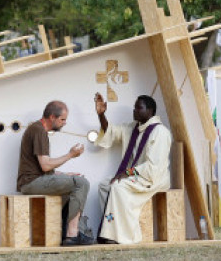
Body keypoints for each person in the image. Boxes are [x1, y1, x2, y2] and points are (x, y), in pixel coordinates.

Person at [94, 92, 172, 244]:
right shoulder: (133, 128)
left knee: (118, 187)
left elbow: (153, 167)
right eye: (134, 108)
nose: (134, 111)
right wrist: (101, 115)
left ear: (150, 111)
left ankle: (121, 236)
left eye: (139, 108)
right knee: (105, 185)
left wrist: (127, 173)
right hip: (136, 175)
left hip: (153, 177)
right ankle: (109, 230)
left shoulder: (160, 132)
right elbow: (111, 131)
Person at [16, 100, 94, 246]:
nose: (64, 123)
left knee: (76, 180)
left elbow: (41, 166)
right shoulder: (39, 131)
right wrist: (70, 154)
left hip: (32, 180)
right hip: (31, 183)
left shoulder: (36, 129)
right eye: (62, 119)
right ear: (52, 117)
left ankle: (65, 231)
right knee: (82, 183)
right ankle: (72, 235)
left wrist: (62, 175)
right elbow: (45, 166)